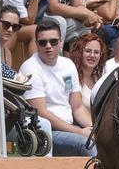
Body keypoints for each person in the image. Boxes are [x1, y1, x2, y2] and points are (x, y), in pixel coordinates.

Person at [20, 20, 96, 156]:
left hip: (70, 128)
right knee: (89, 145)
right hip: (46, 133)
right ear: (37, 44)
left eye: (53, 41)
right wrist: (80, 132)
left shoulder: (68, 64)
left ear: (61, 42)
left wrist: (94, 129)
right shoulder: (30, 68)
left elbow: (77, 107)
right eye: (43, 42)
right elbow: (42, 113)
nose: (48, 46)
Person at [69, 32, 107, 115]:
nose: (92, 55)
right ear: (79, 52)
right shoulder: (71, 77)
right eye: (88, 51)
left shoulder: (99, 79)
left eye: (96, 52)